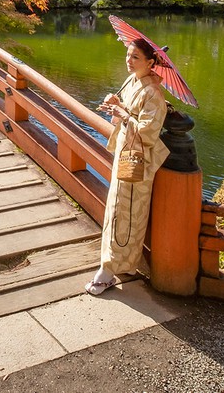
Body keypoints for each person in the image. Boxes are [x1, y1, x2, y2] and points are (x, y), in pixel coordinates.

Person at [85, 36, 170, 295]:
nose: (129, 61)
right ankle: (123, 264)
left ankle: (109, 270)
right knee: (117, 207)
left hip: (138, 160)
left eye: (135, 58)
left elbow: (148, 133)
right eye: (128, 55)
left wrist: (124, 115)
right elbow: (128, 114)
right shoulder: (132, 82)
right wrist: (117, 104)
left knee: (127, 210)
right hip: (125, 153)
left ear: (151, 62)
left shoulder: (153, 93)